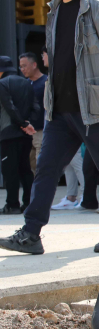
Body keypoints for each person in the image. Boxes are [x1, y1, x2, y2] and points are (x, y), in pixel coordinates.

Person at [0, 0, 99, 255]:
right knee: (45, 168)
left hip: (94, 107)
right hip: (59, 109)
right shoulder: (54, 8)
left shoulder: (98, 7)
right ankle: (31, 233)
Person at [0, 56, 37, 215]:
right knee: (25, 169)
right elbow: (35, 106)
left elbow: (9, 106)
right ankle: (28, 203)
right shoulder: (27, 83)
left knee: (10, 170)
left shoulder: (2, 83)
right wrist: (28, 124)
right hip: (25, 134)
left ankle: (12, 204)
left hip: (9, 133)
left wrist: (21, 123)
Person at [18, 52, 47, 173]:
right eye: (20, 66)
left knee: (42, 166)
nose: (22, 69)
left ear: (34, 64)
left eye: (24, 65)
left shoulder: (47, 82)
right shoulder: (24, 84)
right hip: (27, 132)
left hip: (41, 130)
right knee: (30, 168)